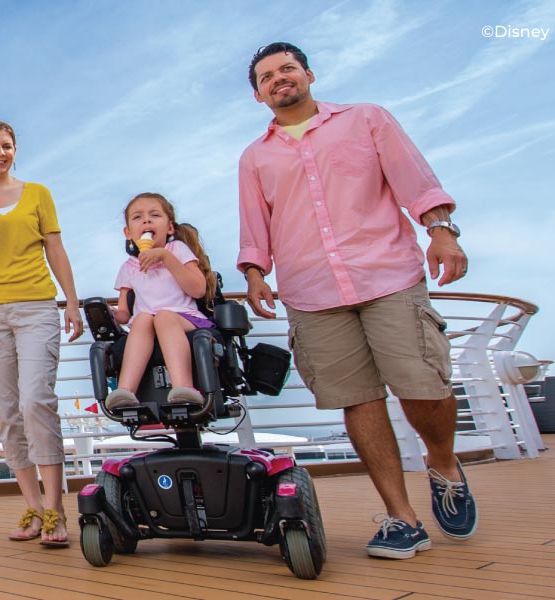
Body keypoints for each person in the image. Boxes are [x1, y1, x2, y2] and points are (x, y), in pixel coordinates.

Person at [238, 42, 476, 560]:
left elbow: (415, 179)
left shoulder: (366, 119)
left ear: (308, 74)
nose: (279, 79)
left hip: (387, 273)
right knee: (358, 399)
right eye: (267, 76)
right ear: (258, 95)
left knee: (423, 385)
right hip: (311, 290)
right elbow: (256, 224)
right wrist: (256, 273)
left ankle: (442, 461)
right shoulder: (256, 157)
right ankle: (401, 517)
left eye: (287, 69)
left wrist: (440, 230)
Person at [0, 121, 83, 547]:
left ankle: (57, 512)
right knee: (6, 413)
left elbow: (56, 249)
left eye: (6, 146)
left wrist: (72, 301)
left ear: (15, 151)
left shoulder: (39, 194)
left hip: (36, 307)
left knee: (36, 400)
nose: (0, 153)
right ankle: (33, 508)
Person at [104, 192, 218, 411]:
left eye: (154, 215)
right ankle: (126, 391)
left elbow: (198, 288)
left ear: (170, 228)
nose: (146, 220)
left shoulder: (177, 250)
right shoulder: (129, 266)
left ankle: (184, 387)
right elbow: (125, 314)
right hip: (146, 324)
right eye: (138, 217)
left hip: (184, 317)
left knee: (163, 317)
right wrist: (109, 314)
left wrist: (165, 257)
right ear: (128, 233)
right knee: (143, 319)